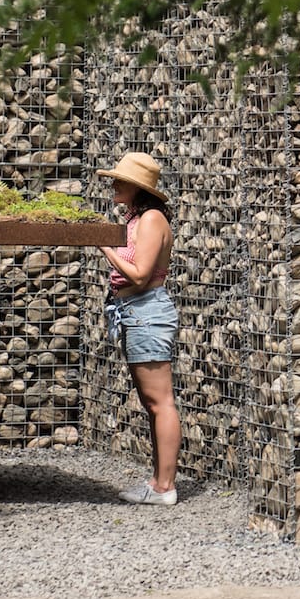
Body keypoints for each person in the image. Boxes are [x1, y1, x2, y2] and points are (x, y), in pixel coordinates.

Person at [96, 151, 181, 505]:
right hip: (134, 311)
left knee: (160, 402)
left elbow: (141, 275)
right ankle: (158, 482)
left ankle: (165, 487)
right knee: (152, 403)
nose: (114, 184)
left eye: (121, 180)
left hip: (147, 311)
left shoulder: (151, 219)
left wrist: (105, 247)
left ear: (137, 187)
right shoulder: (138, 218)